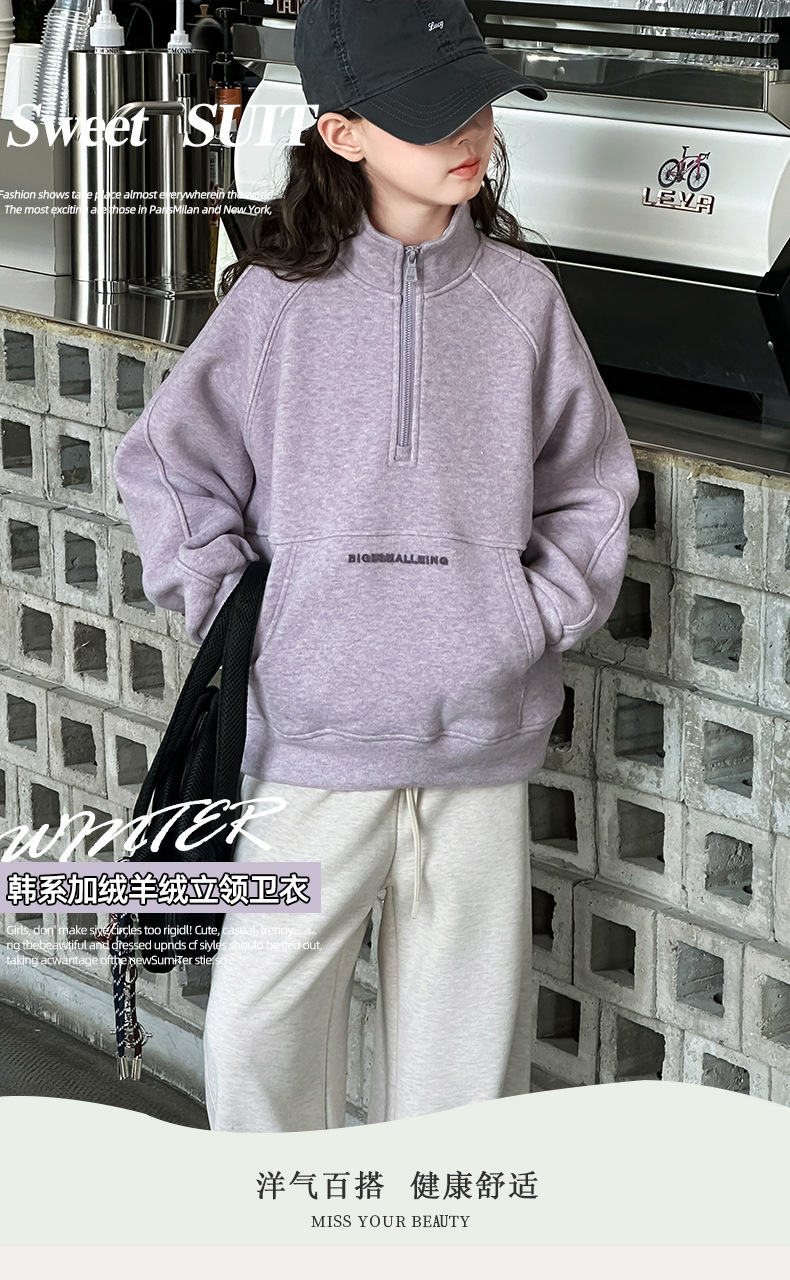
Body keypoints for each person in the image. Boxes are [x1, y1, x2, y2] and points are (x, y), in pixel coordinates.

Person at [113, 0, 641, 1132]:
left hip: (477, 742)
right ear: (343, 134)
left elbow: (593, 488)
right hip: (312, 739)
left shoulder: (522, 300)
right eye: (430, 113)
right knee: (258, 1041)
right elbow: (167, 465)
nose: (470, 131)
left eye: (478, 103)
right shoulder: (275, 303)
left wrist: (520, 619)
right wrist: (251, 620)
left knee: (462, 1077)